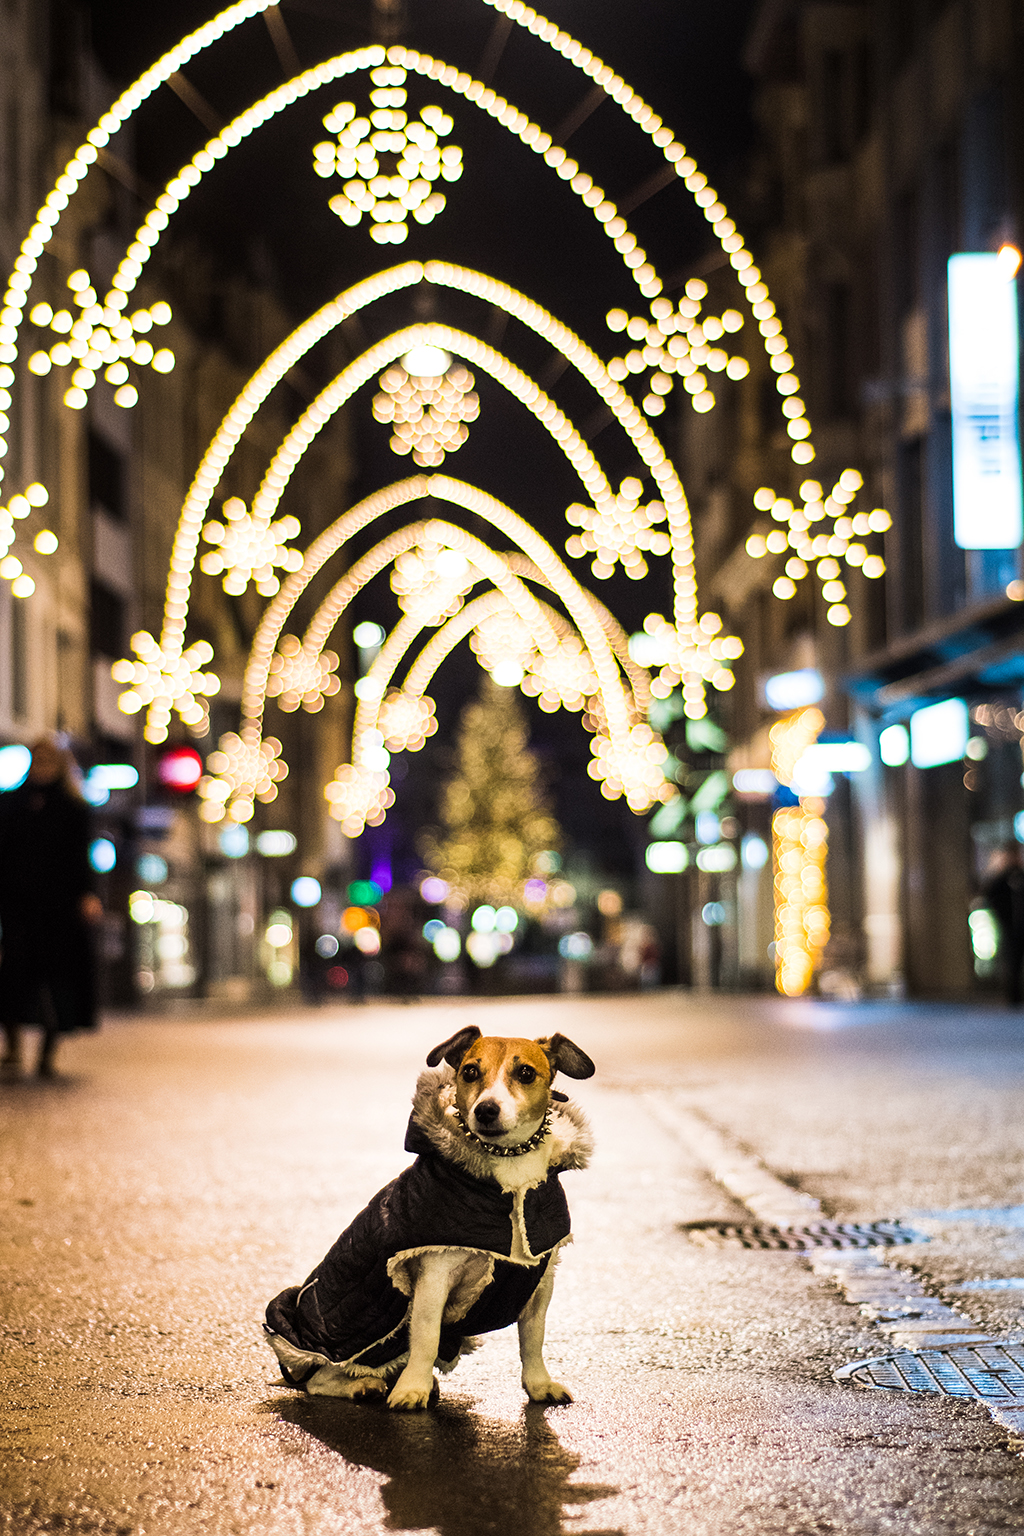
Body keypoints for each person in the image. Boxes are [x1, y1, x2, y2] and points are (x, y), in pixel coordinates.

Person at [0, 736, 102, 1078]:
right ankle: (13, 1049)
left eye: (49, 759)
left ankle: (46, 1054)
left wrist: (87, 895)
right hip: (17, 905)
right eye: (37, 759)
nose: (42, 766)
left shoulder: (73, 808)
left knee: (59, 980)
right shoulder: (11, 804)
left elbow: (81, 858)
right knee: (13, 976)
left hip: (59, 909)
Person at [984, 843, 1024, 1006]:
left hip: (1021, 926)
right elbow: (990, 896)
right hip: (1009, 927)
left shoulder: (1021, 875)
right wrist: (1002, 916)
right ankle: (1013, 996)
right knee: (1012, 961)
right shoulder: (1001, 879)